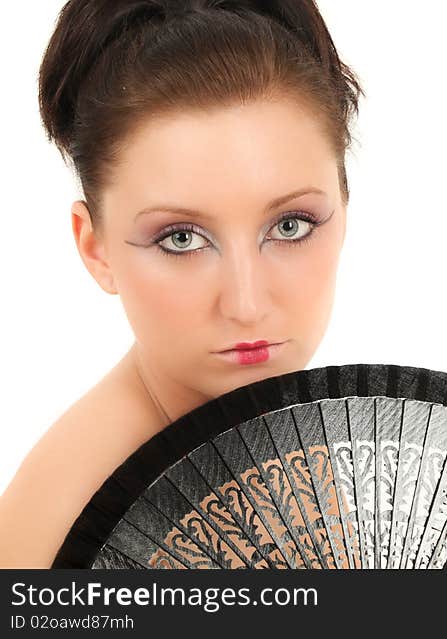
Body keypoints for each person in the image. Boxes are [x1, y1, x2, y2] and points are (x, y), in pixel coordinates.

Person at [0, 0, 364, 568]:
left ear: (344, 211)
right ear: (95, 248)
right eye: (181, 239)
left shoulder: (288, 439)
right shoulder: (66, 522)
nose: (246, 304)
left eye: (290, 226)